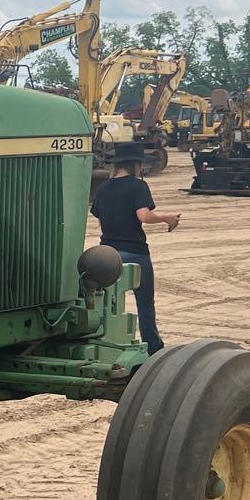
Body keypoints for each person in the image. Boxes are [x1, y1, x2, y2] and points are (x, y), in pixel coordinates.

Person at [91, 149, 179, 353]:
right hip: (135, 251)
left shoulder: (104, 187)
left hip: (108, 253)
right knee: (145, 302)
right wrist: (167, 217)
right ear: (134, 165)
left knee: (108, 302)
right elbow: (144, 216)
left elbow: (97, 213)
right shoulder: (138, 186)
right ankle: (153, 346)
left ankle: (106, 342)